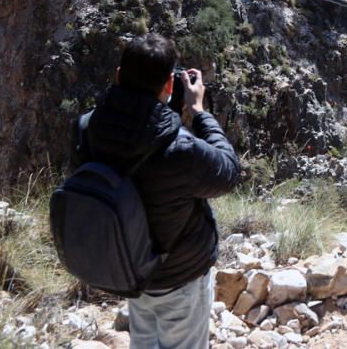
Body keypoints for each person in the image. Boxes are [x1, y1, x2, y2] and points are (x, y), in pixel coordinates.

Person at [75, 33, 240, 349]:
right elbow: (228, 172)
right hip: (178, 276)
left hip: (128, 267)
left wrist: (168, 115)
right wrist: (199, 112)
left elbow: (132, 151)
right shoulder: (180, 150)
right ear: (168, 85)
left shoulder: (87, 128)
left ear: (119, 76)